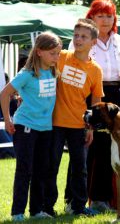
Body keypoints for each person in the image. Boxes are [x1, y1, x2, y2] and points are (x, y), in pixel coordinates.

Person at [78, 0, 120, 212]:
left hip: (116, 94)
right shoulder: (82, 38)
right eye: (100, 15)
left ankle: (102, 199)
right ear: (91, 17)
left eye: (109, 15)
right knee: (88, 147)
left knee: (112, 149)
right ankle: (77, 200)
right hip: (91, 94)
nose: (105, 20)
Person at [0, 32, 62, 221]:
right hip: (25, 126)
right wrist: (8, 120)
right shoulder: (26, 74)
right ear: (39, 52)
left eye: (58, 53)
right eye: (53, 53)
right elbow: (4, 94)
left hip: (46, 129)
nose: (56, 57)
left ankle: (36, 210)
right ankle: (17, 212)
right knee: (24, 170)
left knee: (41, 170)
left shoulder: (53, 70)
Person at [45, 19, 103, 217]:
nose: (78, 39)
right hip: (54, 123)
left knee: (80, 168)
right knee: (51, 166)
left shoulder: (96, 70)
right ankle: (46, 207)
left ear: (93, 42)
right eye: (76, 35)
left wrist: (91, 128)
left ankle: (77, 206)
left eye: (84, 37)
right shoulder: (60, 56)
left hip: (79, 125)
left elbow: (95, 104)